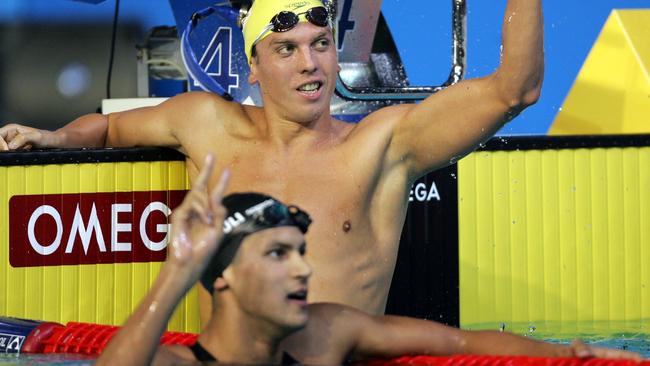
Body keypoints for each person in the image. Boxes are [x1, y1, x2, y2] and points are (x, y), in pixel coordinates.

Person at [1, 0, 545, 319]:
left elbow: (513, 91)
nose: (311, 65)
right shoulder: (207, 123)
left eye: (322, 44)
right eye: (287, 50)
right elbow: (108, 128)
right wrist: (55, 138)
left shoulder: (383, 143)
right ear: (253, 67)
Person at [95, 155, 641, 366]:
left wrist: (569, 354)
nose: (304, 269)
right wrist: (179, 268)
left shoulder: (326, 333)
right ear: (225, 277)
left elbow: (458, 343)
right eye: (278, 254)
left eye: (301, 253)